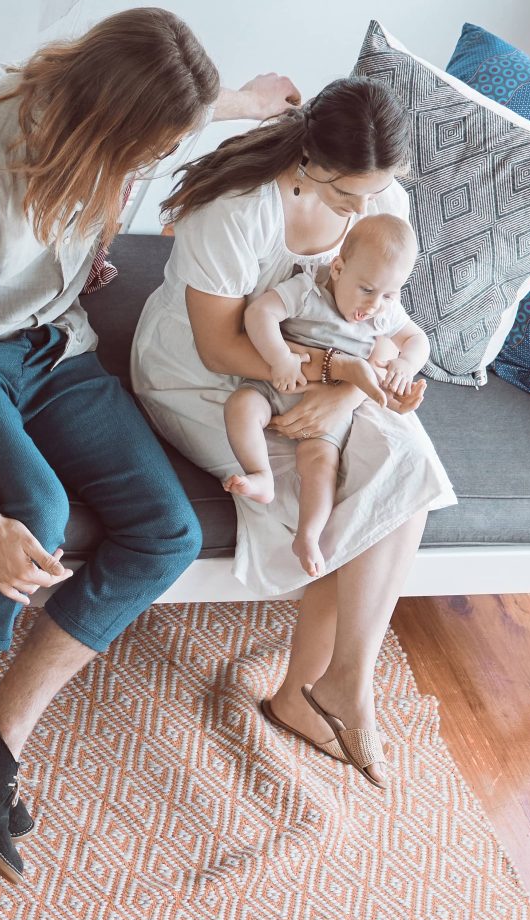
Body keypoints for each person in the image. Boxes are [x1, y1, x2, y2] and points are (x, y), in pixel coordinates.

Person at [0, 8, 299, 884]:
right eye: (145, 150)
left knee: (169, 533)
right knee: (38, 509)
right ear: (106, 124)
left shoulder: (101, 110)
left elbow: (182, 103)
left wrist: (244, 102)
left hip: (51, 341)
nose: (146, 169)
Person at [131, 79, 455, 789]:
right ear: (308, 159)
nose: (365, 209)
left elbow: (385, 323)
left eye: (376, 192)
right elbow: (220, 349)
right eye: (349, 197)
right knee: (341, 487)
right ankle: (318, 694)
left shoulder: (379, 201)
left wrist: (345, 393)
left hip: (330, 374)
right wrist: (338, 374)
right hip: (211, 373)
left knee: (405, 465)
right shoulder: (238, 211)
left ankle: (339, 682)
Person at [219, 213, 428, 579]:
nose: (375, 305)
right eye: (367, 289)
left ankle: (308, 535)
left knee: (321, 465)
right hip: (278, 385)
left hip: (329, 409)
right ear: (338, 268)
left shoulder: (382, 314)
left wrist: (407, 365)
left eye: (390, 295)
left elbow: (417, 339)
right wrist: (279, 357)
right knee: (241, 406)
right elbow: (260, 313)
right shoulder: (308, 289)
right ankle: (260, 474)